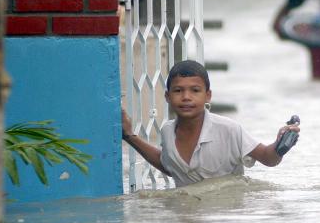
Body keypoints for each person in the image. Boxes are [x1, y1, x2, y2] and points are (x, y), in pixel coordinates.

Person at [121, 60, 300, 187]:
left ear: (208, 96)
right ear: (167, 97)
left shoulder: (229, 129)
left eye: (195, 90)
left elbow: (268, 158)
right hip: (183, 214)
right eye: (178, 90)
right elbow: (171, 166)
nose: (186, 97)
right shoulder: (167, 131)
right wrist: (130, 136)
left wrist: (280, 145)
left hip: (222, 216)